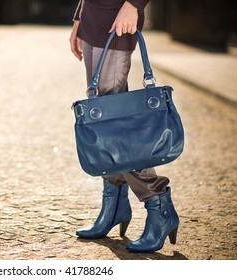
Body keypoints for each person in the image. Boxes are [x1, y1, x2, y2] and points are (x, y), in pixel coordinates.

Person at [69, 0, 179, 253]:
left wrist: (133, 5)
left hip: (119, 18)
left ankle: (158, 203)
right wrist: (79, 17)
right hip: (92, 19)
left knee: (116, 127)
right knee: (103, 124)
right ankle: (115, 204)